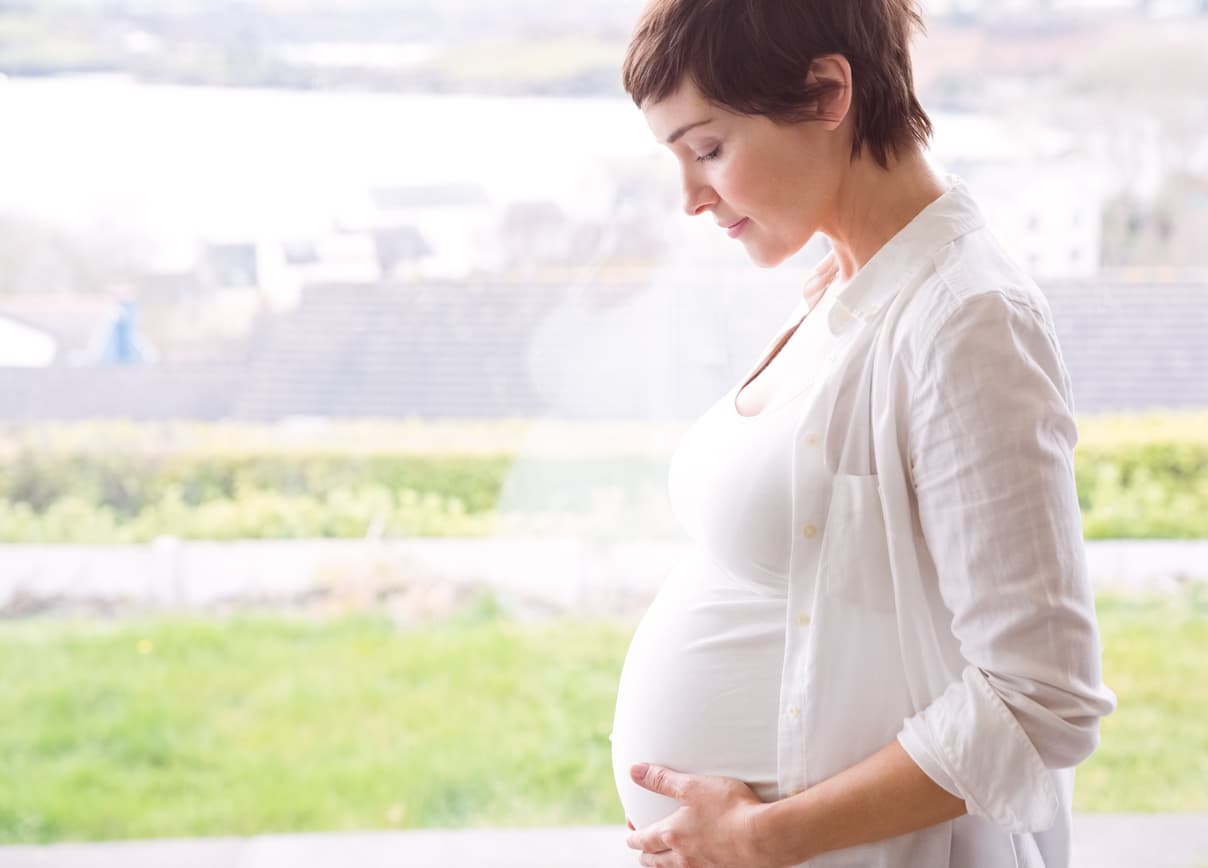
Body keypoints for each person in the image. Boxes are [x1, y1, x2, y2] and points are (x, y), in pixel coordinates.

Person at [607, 1, 1117, 866]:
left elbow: (1041, 698)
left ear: (826, 91)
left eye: (708, 149)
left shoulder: (969, 321)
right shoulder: (849, 287)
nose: (690, 198)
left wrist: (763, 837)